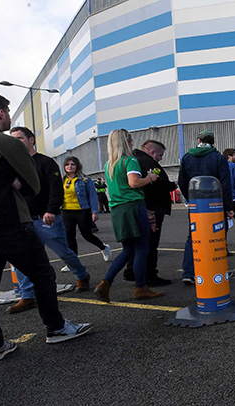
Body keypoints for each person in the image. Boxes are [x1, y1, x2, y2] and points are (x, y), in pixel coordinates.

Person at [0, 90, 92, 362]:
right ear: (1, 112)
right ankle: (56, 328)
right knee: (42, 275)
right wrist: (15, 183)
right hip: (7, 222)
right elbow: (32, 185)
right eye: (8, 111)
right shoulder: (4, 142)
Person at [7, 126, 92, 313]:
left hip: (44, 218)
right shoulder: (12, 165)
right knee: (19, 257)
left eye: (19, 138)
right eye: (12, 139)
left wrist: (51, 210)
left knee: (63, 252)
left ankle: (81, 275)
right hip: (22, 220)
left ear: (31, 140)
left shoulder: (45, 163)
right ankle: (27, 296)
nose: (15, 142)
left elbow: (56, 188)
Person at [93, 129, 163, 301]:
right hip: (133, 207)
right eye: (131, 141)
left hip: (118, 210)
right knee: (141, 249)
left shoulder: (109, 164)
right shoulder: (130, 160)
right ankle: (141, 287)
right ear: (127, 142)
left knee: (128, 249)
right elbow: (134, 182)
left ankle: (106, 282)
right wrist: (150, 178)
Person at [178, 130, 233, 285]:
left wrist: (190, 199)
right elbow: (225, 183)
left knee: (194, 236)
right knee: (217, 235)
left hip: (196, 205)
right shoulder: (218, 158)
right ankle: (215, 269)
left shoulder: (187, 157)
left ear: (199, 140)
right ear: (213, 142)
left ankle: (189, 272)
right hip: (215, 204)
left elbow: (182, 181)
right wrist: (228, 206)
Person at [123, 139, 177, 286]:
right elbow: (159, 183)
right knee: (151, 244)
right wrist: (172, 185)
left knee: (137, 243)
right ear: (152, 152)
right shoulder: (148, 162)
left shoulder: (131, 161)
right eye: (160, 155)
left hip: (138, 207)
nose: (160, 158)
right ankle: (150, 275)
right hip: (153, 207)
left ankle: (132, 271)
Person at [60, 156, 111, 263]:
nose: (70, 166)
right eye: (67, 164)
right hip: (66, 211)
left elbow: (92, 196)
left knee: (86, 234)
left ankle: (103, 247)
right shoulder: (62, 180)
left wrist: (95, 211)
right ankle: (74, 262)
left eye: (72, 164)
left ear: (77, 166)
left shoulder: (85, 180)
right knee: (69, 236)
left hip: (82, 211)